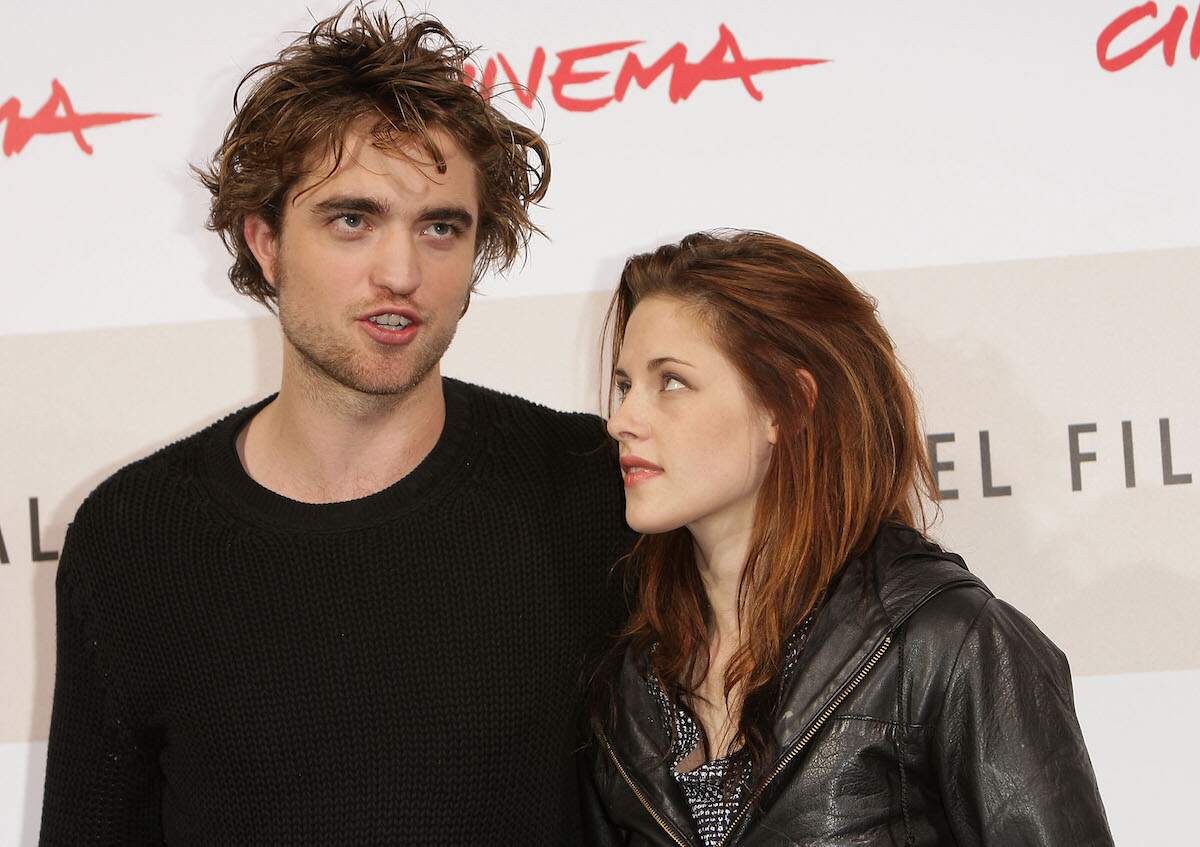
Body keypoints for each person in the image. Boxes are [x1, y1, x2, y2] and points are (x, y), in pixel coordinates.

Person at [38, 6, 630, 845]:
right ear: (266, 242)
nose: (401, 272)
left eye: (440, 227)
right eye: (352, 219)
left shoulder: (590, 487)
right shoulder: (134, 535)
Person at [582, 231, 1113, 846]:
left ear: (789, 405)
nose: (622, 419)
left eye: (670, 381)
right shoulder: (629, 686)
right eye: (624, 386)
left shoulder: (948, 645)